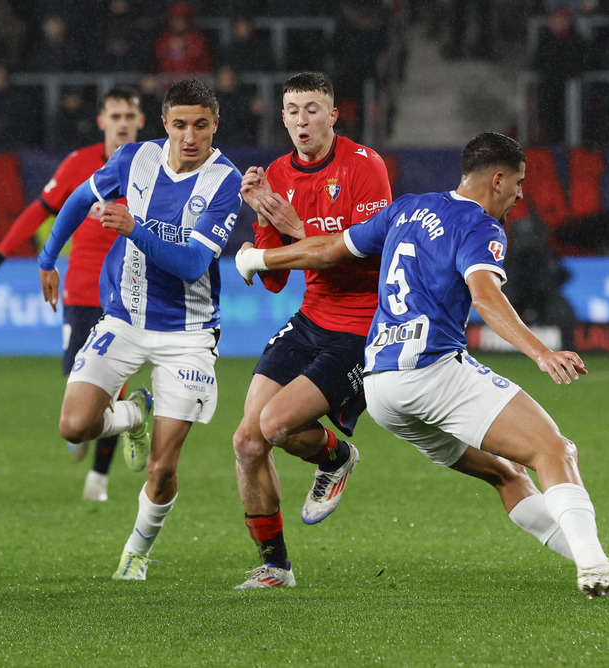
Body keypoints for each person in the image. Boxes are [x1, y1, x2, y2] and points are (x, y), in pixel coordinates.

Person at [235, 132, 609, 600]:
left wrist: (260, 257)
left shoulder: (407, 208)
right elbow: (485, 296)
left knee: (505, 473)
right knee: (555, 451)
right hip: (433, 373)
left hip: (382, 389)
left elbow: (326, 250)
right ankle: (595, 569)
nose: (521, 194)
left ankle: (598, 560)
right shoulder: (480, 226)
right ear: (497, 180)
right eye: (519, 183)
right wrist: (541, 351)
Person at [37, 78, 243, 581]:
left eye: (200, 125)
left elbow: (193, 262)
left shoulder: (225, 182)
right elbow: (76, 199)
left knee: (161, 467)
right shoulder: (135, 159)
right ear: (164, 125)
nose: (189, 136)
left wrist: (135, 229)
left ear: (215, 124)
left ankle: (137, 551)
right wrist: (47, 258)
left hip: (189, 335)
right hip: (125, 319)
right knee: (74, 426)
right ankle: (132, 414)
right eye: (179, 125)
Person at [231, 71, 392, 589]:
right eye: (293, 110)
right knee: (247, 441)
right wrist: (262, 218)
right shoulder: (276, 172)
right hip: (310, 318)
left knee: (276, 427)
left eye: (313, 109)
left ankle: (337, 456)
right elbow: (276, 279)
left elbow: (374, 258)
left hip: (362, 327)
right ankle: (275, 568)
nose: (302, 120)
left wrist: (299, 230)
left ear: (333, 114)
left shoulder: (366, 167)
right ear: (282, 116)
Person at [0, 86, 146, 502]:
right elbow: (41, 209)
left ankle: (99, 477)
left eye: (129, 116)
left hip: (127, 291)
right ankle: (90, 426)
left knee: (114, 383)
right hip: (82, 289)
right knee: (80, 382)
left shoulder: (153, 167)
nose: (122, 123)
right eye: (115, 116)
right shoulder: (79, 164)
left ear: (140, 122)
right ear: (102, 121)